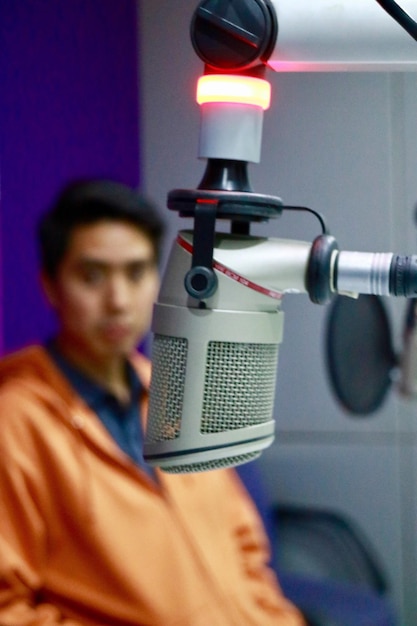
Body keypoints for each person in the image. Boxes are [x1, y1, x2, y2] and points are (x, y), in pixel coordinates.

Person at [0, 179, 305, 626]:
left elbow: (244, 549)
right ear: (51, 286)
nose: (119, 301)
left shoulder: (179, 392)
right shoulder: (15, 425)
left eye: (137, 272)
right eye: (91, 276)